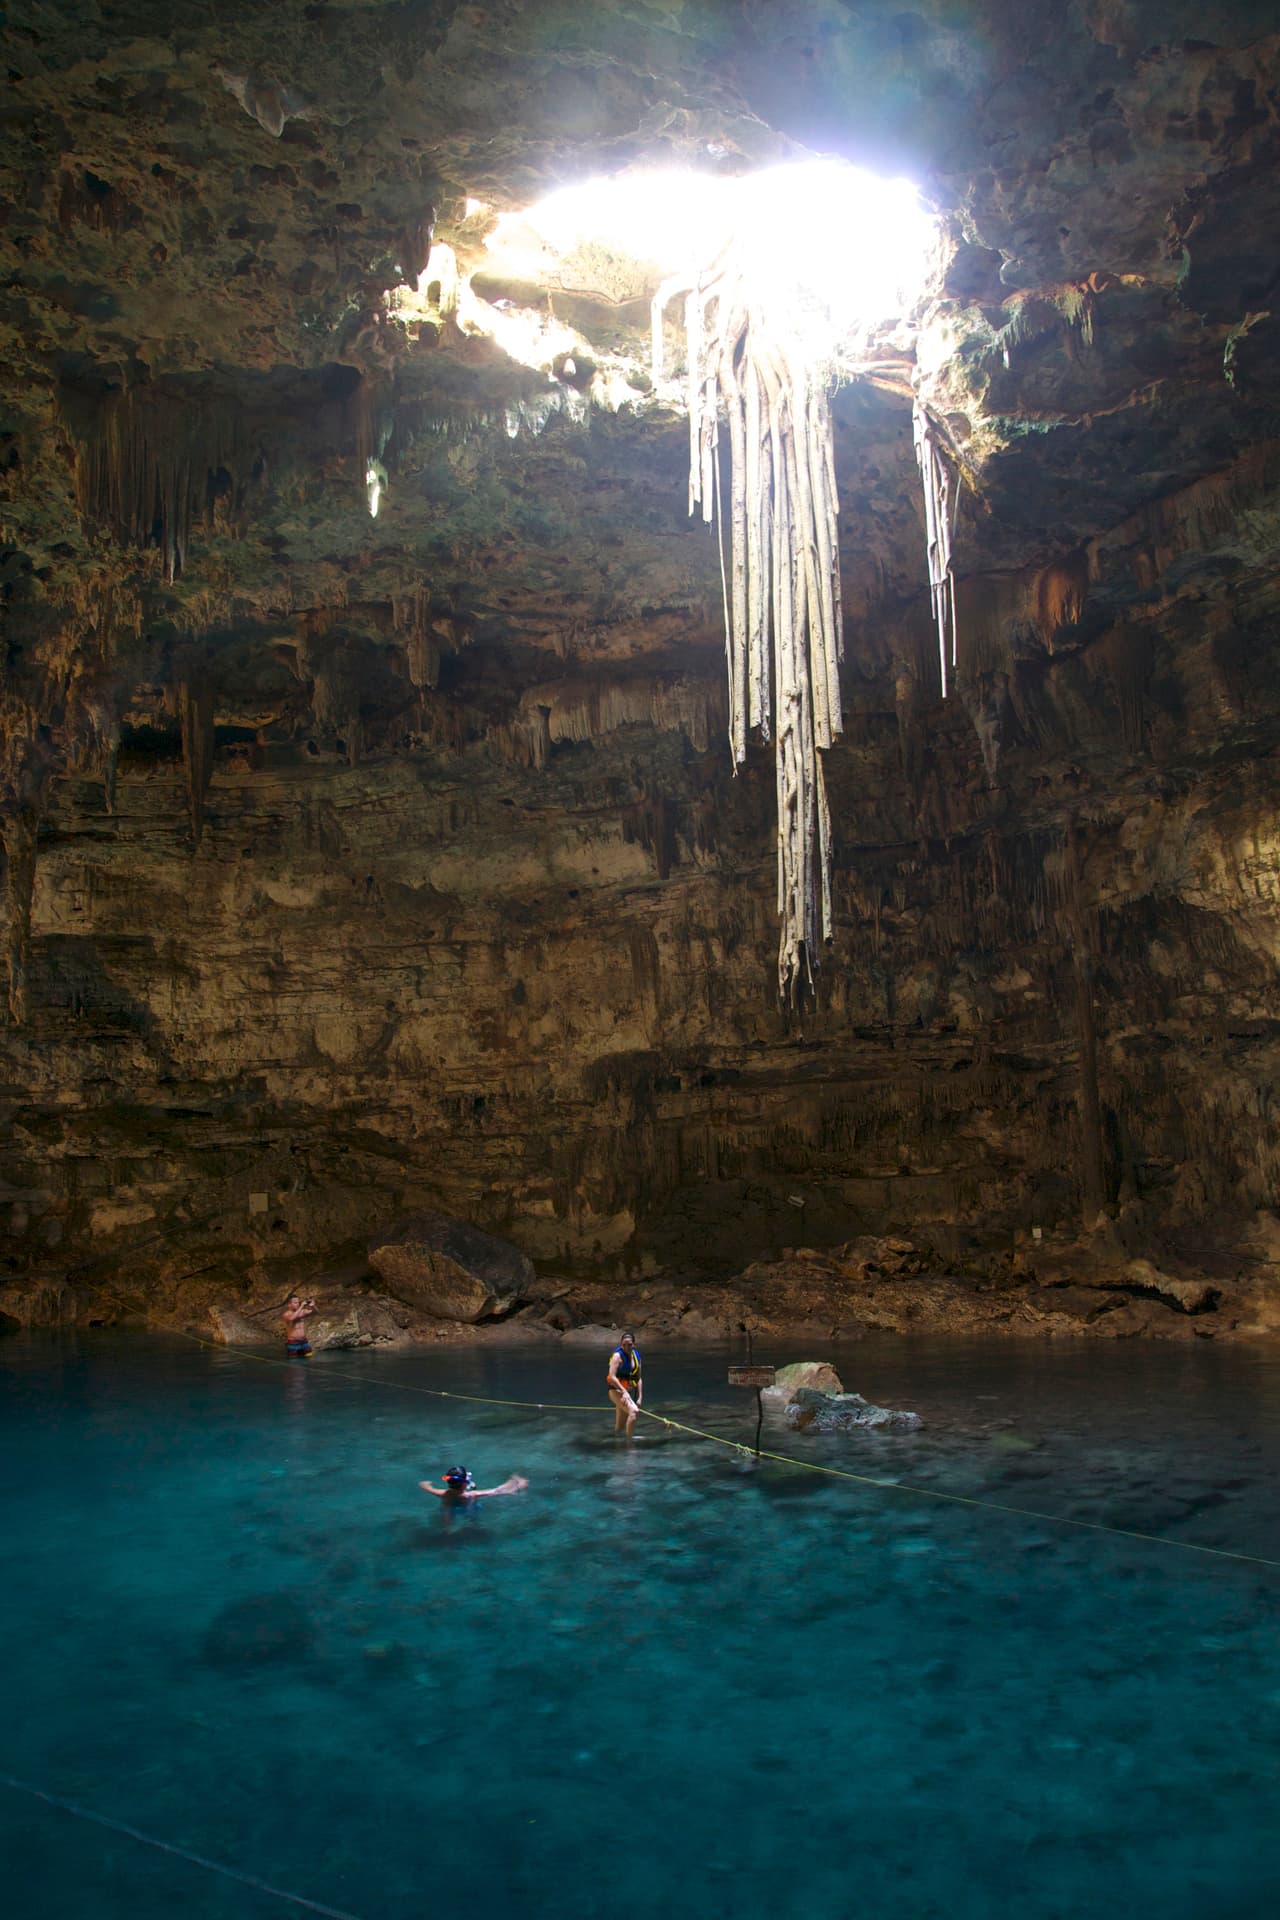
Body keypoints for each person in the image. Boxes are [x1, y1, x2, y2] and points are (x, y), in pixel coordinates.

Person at [606, 1331, 643, 1437]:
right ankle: (630, 1445)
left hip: (626, 1392)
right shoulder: (617, 1356)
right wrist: (625, 1392)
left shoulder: (637, 1356)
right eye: (624, 1345)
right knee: (633, 1412)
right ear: (621, 1345)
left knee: (619, 1427)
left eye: (630, 1345)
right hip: (616, 1391)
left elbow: (639, 1377)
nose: (626, 1347)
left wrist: (640, 1397)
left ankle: (617, 1446)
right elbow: (612, 1376)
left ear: (634, 1344)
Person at [419, 1467, 529, 1500]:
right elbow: (496, 1491)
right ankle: (518, 1481)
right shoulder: (469, 1495)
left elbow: (424, 1486)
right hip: (468, 1508)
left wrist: (427, 1484)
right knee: (499, 1490)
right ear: (464, 1484)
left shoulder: (442, 1493)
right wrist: (517, 1485)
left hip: (450, 1505)